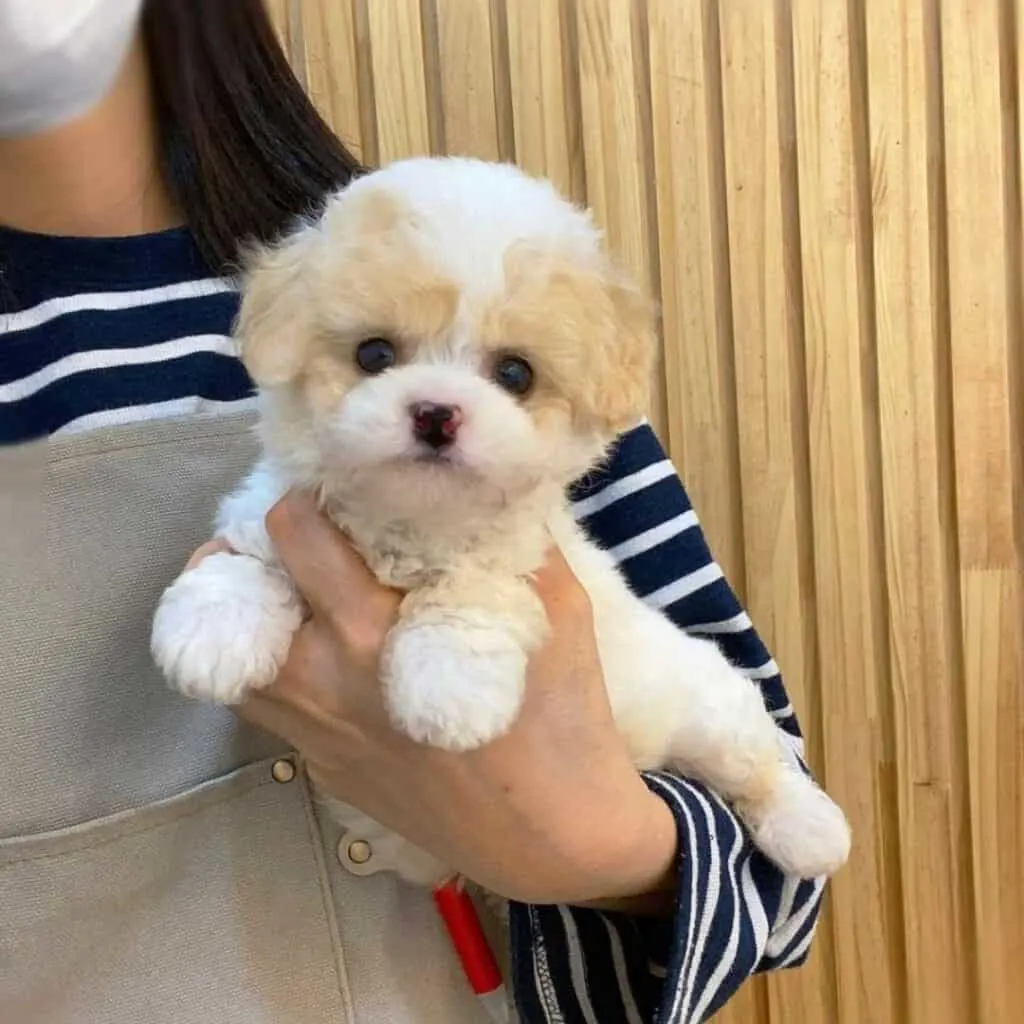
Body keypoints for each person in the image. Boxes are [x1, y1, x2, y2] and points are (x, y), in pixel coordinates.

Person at [0, 2, 829, 1022]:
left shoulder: (480, 258)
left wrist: (603, 849)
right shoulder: (329, 281)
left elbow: (780, 887)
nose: (441, 400)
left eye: (510, 372)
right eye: (379, 356)